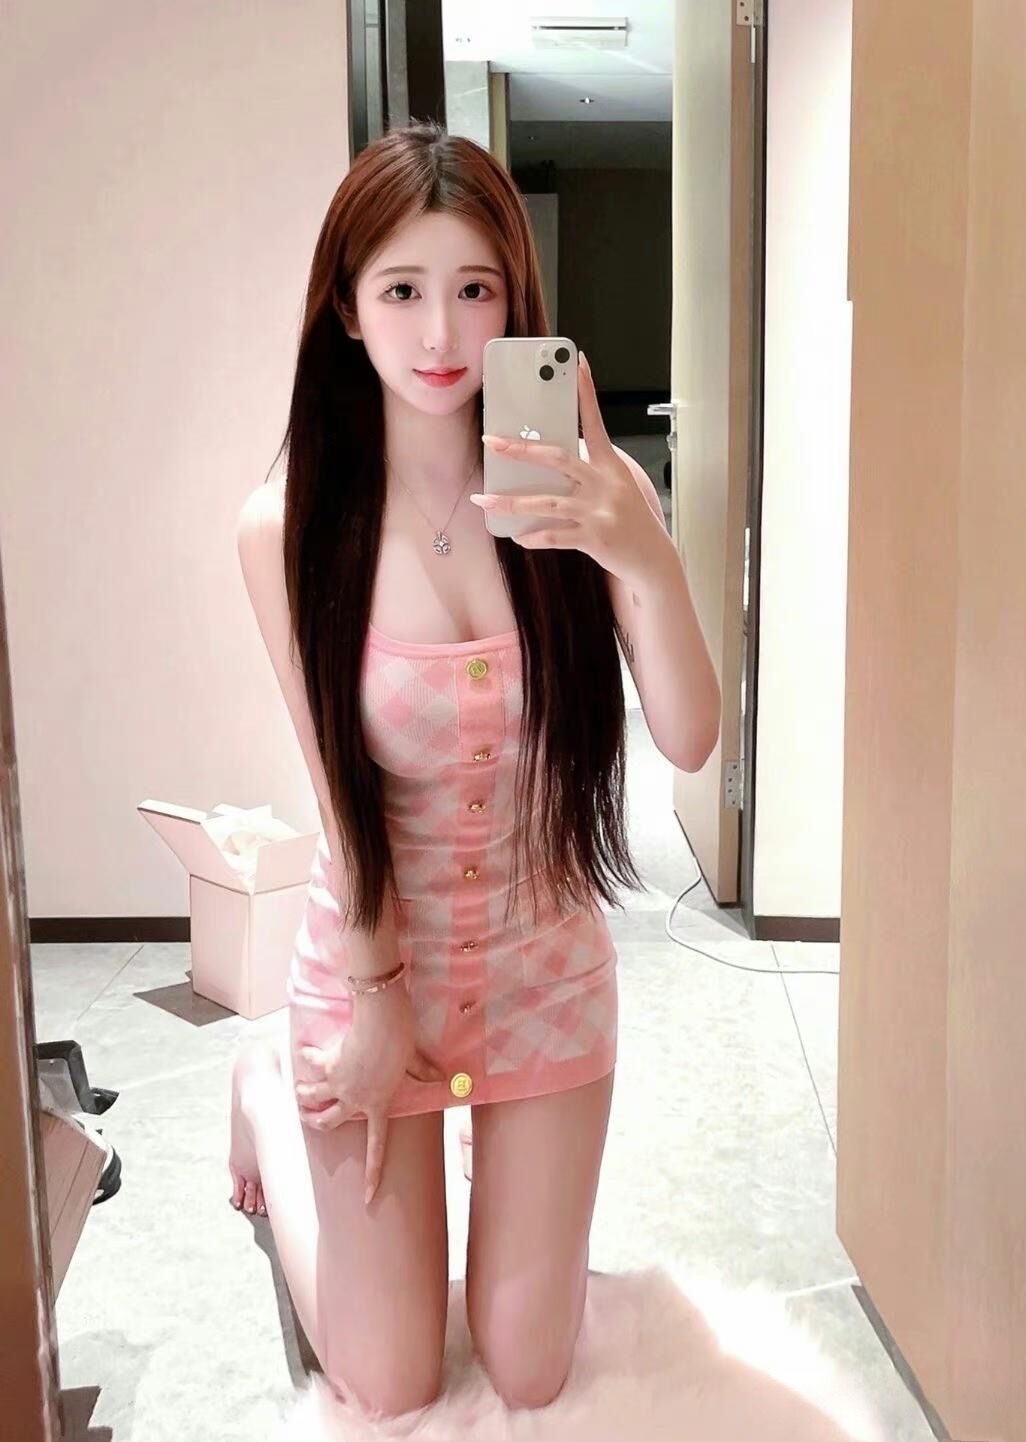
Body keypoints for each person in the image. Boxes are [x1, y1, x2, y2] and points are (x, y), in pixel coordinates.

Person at [227, 121, 721, 1420]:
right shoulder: (288, 530)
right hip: (377, 963)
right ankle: (267, 1091)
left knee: (527, 1363)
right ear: (346, 308)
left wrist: (642, 548)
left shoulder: (584, 495)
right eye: (402, 289)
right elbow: (338, 796)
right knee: (387, 1380)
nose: (441, 332)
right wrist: (375, 996)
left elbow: (690, 739)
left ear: (516, 300)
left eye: (475, 288)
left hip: (541, 967)